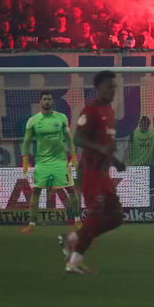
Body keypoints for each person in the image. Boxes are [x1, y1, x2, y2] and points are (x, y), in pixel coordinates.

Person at [60, 71, 126, 274]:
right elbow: (77, 138)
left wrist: (115, 160)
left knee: (116, 217)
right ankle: (74, 261)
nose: (112, 90)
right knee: (95, 215)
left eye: (114, 86)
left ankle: (73, 239)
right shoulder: (91, 110)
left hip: (104, 174)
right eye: (108, 86)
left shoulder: (109, 111)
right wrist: (101, 151)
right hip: (91, 172)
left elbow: (106, 144)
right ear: (97, 88)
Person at [19, 90, 81, 234]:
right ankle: (32, 224)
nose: (47, 101)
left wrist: (73, 156)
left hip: (60, 162)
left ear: (52, 101)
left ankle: (78, 220)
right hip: (42, 163)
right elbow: (27, 141)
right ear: (40, 101)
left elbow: (68, 138)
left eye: (49, 99)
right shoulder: (33, 120)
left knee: (72, 190)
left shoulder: (61, 118)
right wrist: (25, 160)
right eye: (44, 99)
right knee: (36, 192)